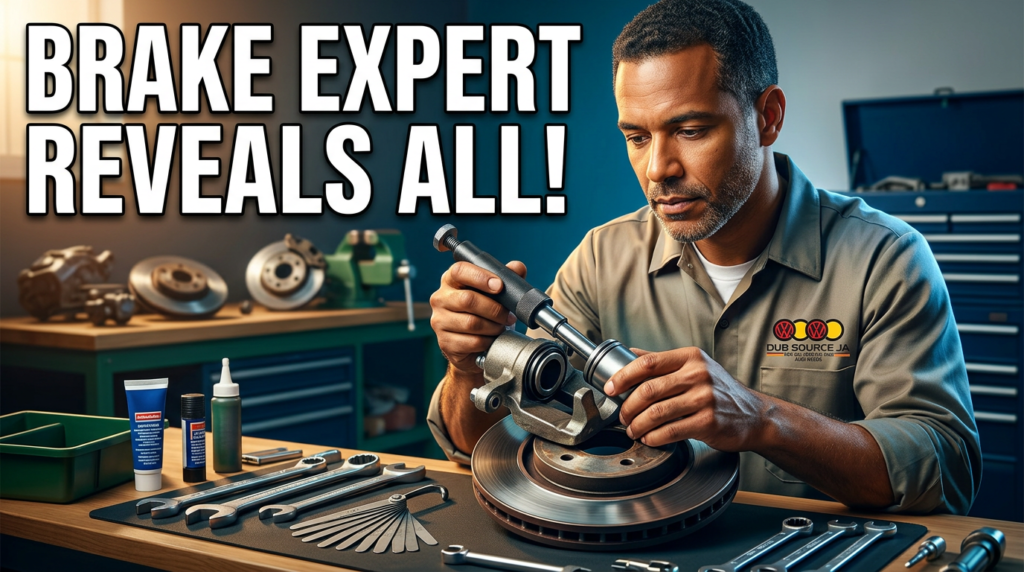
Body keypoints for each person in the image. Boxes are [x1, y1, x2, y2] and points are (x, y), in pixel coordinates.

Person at [427, 0, 980, 514]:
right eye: (637, 137)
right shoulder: (602, 257)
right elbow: (487, 453)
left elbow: (946, 470)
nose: (657, 169)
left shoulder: (884, 258)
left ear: (768, 116)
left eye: (690, 130)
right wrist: (466, 365)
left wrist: (765, 421)